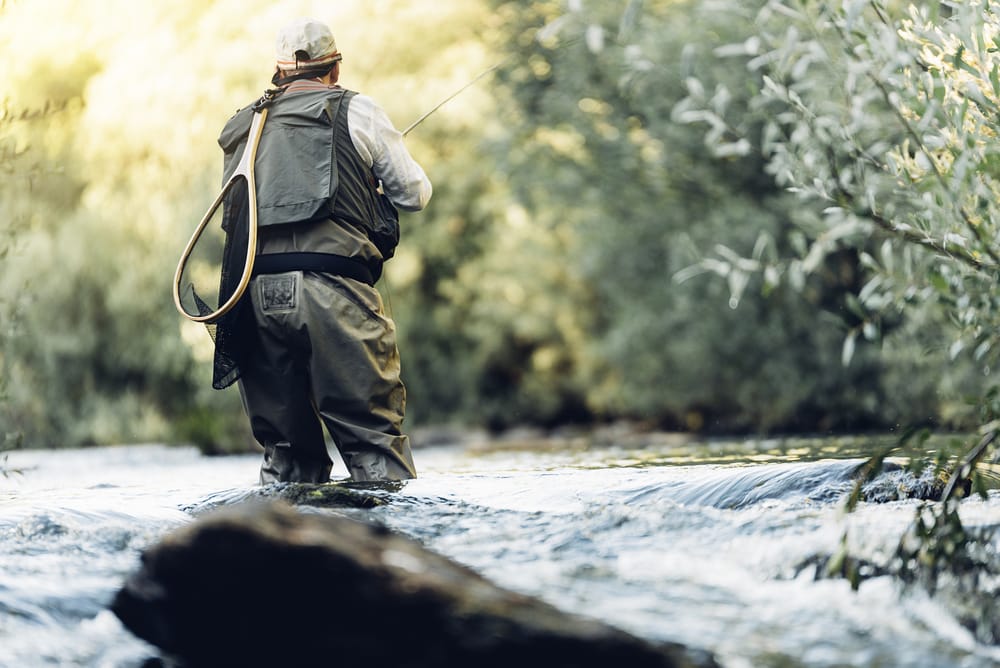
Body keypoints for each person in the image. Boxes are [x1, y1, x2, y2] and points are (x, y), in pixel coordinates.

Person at [216, 17, 432, 484]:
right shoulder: (357, 109)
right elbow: (415, 195)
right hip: (333, 290)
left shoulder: (242, 125)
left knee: (287, 458)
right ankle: (387, 549)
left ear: (278, 73)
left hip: (251, 298)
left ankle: (282, 548)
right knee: (373, 443)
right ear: (335, 69)